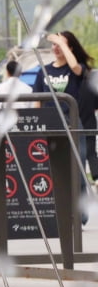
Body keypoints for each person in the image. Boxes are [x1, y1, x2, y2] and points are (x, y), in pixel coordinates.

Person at [34, 31, 98, 180]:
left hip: (73, 122)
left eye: (61, 45)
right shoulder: (44, 70)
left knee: (77, 170)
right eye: (54, 44)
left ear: (70, 48)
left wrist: (62, 43)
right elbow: (37, 99)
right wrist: (37, 121)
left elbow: (75, 66)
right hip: (50, 123)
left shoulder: (76, 69)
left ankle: (79, 200)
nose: (56, 47)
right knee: (54, 168)